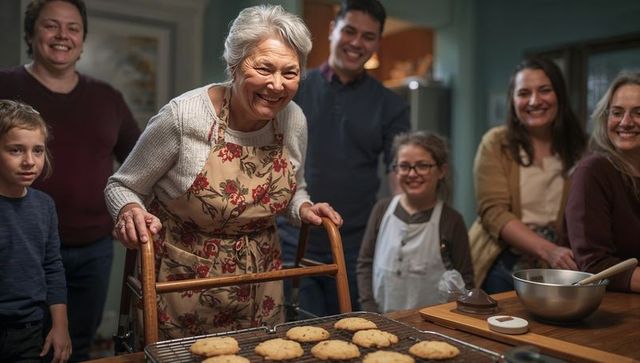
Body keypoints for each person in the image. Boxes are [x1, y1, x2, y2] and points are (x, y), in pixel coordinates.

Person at [105, 4, 342, 341]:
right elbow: (122, 185)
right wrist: (129, 210)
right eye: (264, 68)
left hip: (262, 285)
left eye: (290, 73)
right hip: (183, 287)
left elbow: (294, 187)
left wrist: (303, 207)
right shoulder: (183, 117)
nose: (276, 85)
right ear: (234, 65)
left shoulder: (294, 120)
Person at [0, 1, 141, 360]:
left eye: (73, 28)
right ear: (31, 34)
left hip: (93, 248)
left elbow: (140, 166)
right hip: (19, 244)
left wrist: (130, 208)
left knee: (75, 345)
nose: (63, 35)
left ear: (82, 39)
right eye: (51, 25)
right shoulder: (5, 87)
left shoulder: (107, 98)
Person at [277, 0, 410, 316]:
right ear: (332, 29)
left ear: (377, 42)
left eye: (368, 36)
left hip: (356, 246)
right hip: (290, 238)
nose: (356, 43)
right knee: (294, 334)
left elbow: (399, 173)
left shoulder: (391, 105)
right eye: (349, 31)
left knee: (350, 331)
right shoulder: (294, 87)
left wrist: (403, 234)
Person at [469, 58, 587, 294]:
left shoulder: (583, 148)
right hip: (502, 262)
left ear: (559, 95)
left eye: (544, 90)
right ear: (513, 102)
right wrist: (548, 250)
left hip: (560, 267)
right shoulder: (495, 143)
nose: (535, 101)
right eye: (524, 93)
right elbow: (493, 212)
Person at [357, 131, 473, 313]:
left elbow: (466, 280)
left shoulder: (451, 220)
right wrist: (370, 310)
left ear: (442, 171)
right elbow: (365, 264)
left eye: (422, 166)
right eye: (404, 166)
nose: (412, 174)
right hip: (382, 319)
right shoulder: (382, 210)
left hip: (432, 326)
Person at [0, 100, 72, 363]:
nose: (29, 161)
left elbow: (52, 266)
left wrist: (60, 326)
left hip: (30, 330)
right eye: (16, 150)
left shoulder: (44, 206)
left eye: (38, 151)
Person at [564, 72, 640, 292]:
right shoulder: (592, 171)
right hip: (600, 308)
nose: (626, 122)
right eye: (617, 112)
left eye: (638, 113)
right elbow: (595, 265)